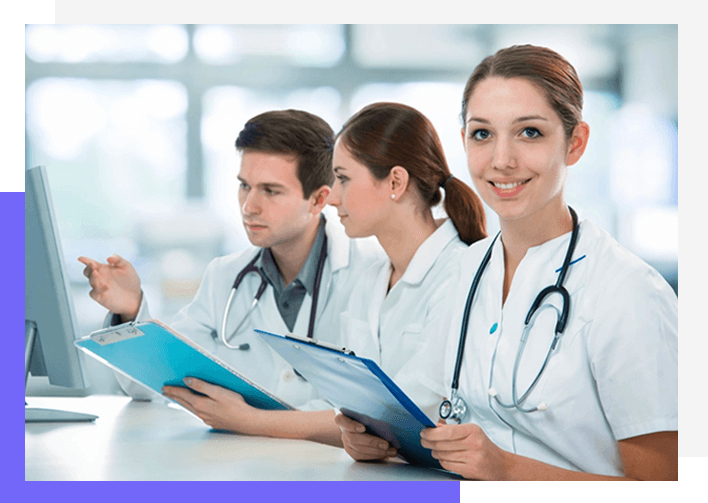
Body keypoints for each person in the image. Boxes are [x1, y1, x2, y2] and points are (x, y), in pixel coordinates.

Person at [344, 44, 678, 480]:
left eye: (530, 133)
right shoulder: (468, 268)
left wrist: (507, 468)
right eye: (482, 134)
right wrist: (376, 437)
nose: (502, 160)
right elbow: (424, 408)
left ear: (575, 143)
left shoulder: (628, 292)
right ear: (463, 139)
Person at [154, 102, 487, 448]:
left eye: (342, 179)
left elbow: (413, 417)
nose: (332, 197)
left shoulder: (463, 275)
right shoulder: (373, 279)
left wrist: (247, 420)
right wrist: (361, 441)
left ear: (395, 182)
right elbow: (359, 413)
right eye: (244, 186)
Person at [79, 109, 384, 413]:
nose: (249, 206)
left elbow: (378, 410)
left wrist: (251, 420)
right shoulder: (225, 276)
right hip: (238, 458)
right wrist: (130, 310)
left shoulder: (372, 272)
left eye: (270, 191)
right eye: (244, 186)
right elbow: (155, 387)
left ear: (319, 199)